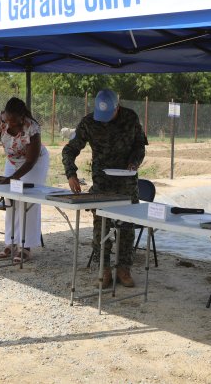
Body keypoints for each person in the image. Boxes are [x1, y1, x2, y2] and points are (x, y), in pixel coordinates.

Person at [62, 89, 148, 288]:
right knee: (101, 226)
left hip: (127, 182)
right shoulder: (89, 122)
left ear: (117, 107)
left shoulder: (130, 118)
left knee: (127, 226)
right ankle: (104, 269)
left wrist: (134, 163)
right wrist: (71, 174)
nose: (105, 121)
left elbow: (139, 146)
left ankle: (124, 269)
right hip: (102, 182)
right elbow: (70, 149)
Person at [0, 97, 49, 264]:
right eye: (7, 120)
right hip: (12, 161)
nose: (9, 125)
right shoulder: (0, 119)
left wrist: (13, 178)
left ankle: (25, 246)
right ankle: (10, 242)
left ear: (22, 117)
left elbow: (30, 161)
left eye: (13, 122)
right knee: (10, 200)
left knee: (28, 201)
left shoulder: (31, 127)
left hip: (33, 163)